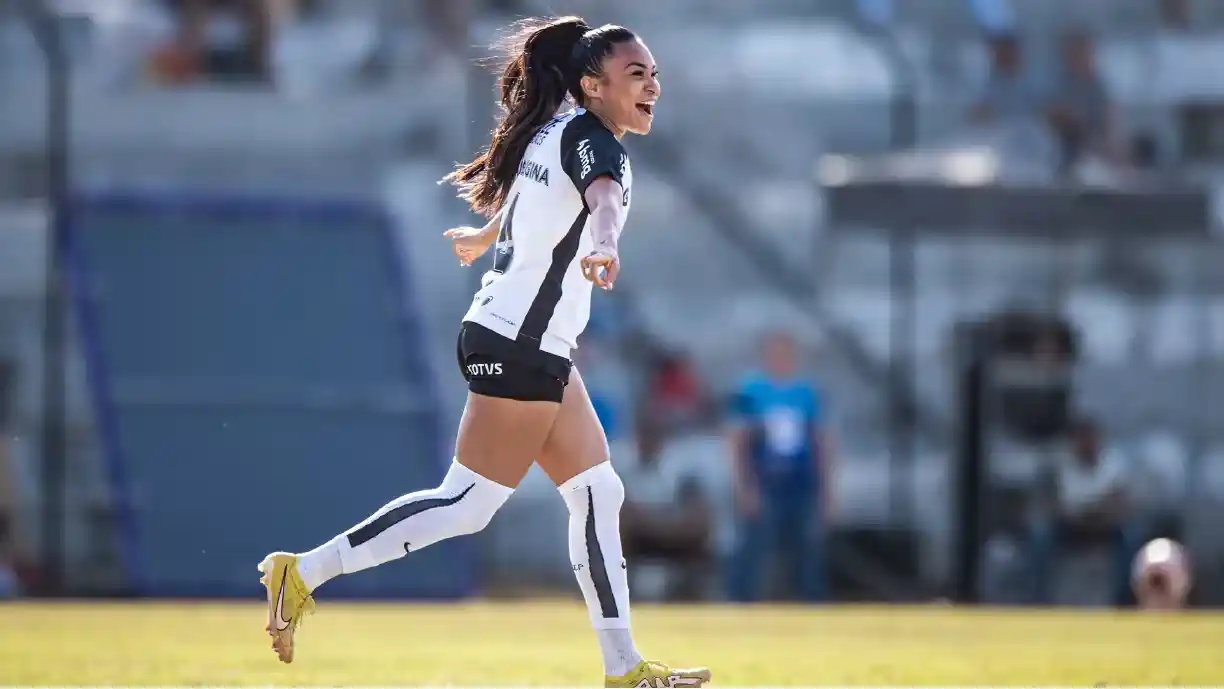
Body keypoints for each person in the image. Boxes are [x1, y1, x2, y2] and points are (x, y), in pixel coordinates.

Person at [256, 16, 710, 688]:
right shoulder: (594, 143)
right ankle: (305, 570)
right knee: (467, 503)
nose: (653, 86)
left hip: (524, 338)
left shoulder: (558, 130)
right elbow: (603, 200)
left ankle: (624, 666)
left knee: (596, 489)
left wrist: (485, 234)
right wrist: (607, 242)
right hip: (522, 344)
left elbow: (542, 196)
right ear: (593, 84)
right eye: (636, 74)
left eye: (654, 73)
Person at [726, 332, 835, 602]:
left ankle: (811, 605)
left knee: (806, 551)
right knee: (756, 547)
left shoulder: (806, 394)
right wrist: (745, 486)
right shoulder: (752, 392)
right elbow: (739, 441)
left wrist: (827, 489)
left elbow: (822, 441)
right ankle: (742, 603)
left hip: (800, 482)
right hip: (766, 481)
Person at [1028, 418, 1142, 605]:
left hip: (1105, 526)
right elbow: (1052, 503)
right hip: (1070, 525)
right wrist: (1073, 514)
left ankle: (1124, 601)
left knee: (1132, 536)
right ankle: (1039, 600)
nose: (1086, 443)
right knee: (1041, 536)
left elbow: (1121, 503)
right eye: (1081, 439)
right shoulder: (1062, 465)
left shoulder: (1113, 464)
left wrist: (1098, 513)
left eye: (1090, 438)